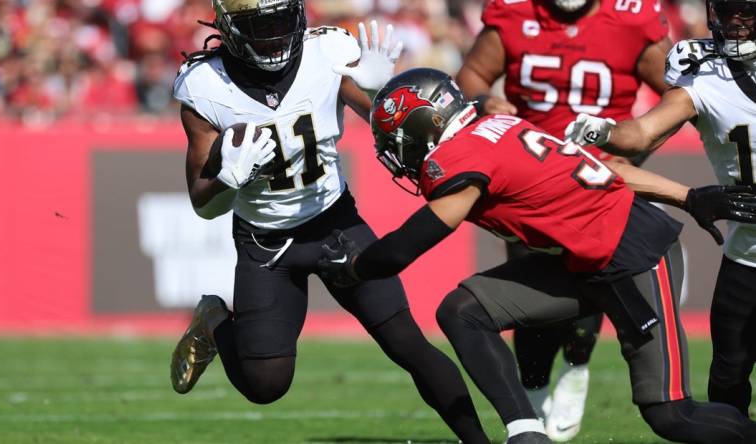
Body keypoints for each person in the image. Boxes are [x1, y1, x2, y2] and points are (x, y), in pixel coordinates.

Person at [318, 67, 756, 444]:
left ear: (429, 124)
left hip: (633, 256)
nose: (399, 154)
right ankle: (526, 430)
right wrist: (688, 196)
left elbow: (407, 246)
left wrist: (355, 266)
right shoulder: (499, 128)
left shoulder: (461, 155)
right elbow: (610, 170)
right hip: (584, 259)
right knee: (463, 310)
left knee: (670, 415)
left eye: (401, 141)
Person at [168, 2, 492, 443]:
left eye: (281, 19)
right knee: (266, 386)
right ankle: (214, 320)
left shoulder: (327, 52)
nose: (274, 35)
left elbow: (387, 126)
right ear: (228, 27)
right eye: (259, 26)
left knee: (408, 343)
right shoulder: (205, 84)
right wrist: (226, 178)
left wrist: (384, 93)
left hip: (334, 223)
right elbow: (203, 203)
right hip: (266, 246)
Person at [454, 0, 672, 437]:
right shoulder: (514, 14)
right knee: (527, 287)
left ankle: (577, 366)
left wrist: (634, 146)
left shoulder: (631, 18)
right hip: (527, 180)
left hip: (597, 179)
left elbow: (682, 95)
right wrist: (485, 101)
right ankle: (532, 389)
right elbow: (472, 76)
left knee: (591, 278)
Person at [565, 0, 756, 418]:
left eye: (747, 12)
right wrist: (604, 130)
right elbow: (645, 133)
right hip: (747, 256)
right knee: (727, 377)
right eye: (727, 12)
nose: (735, 23)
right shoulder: (707, 76)